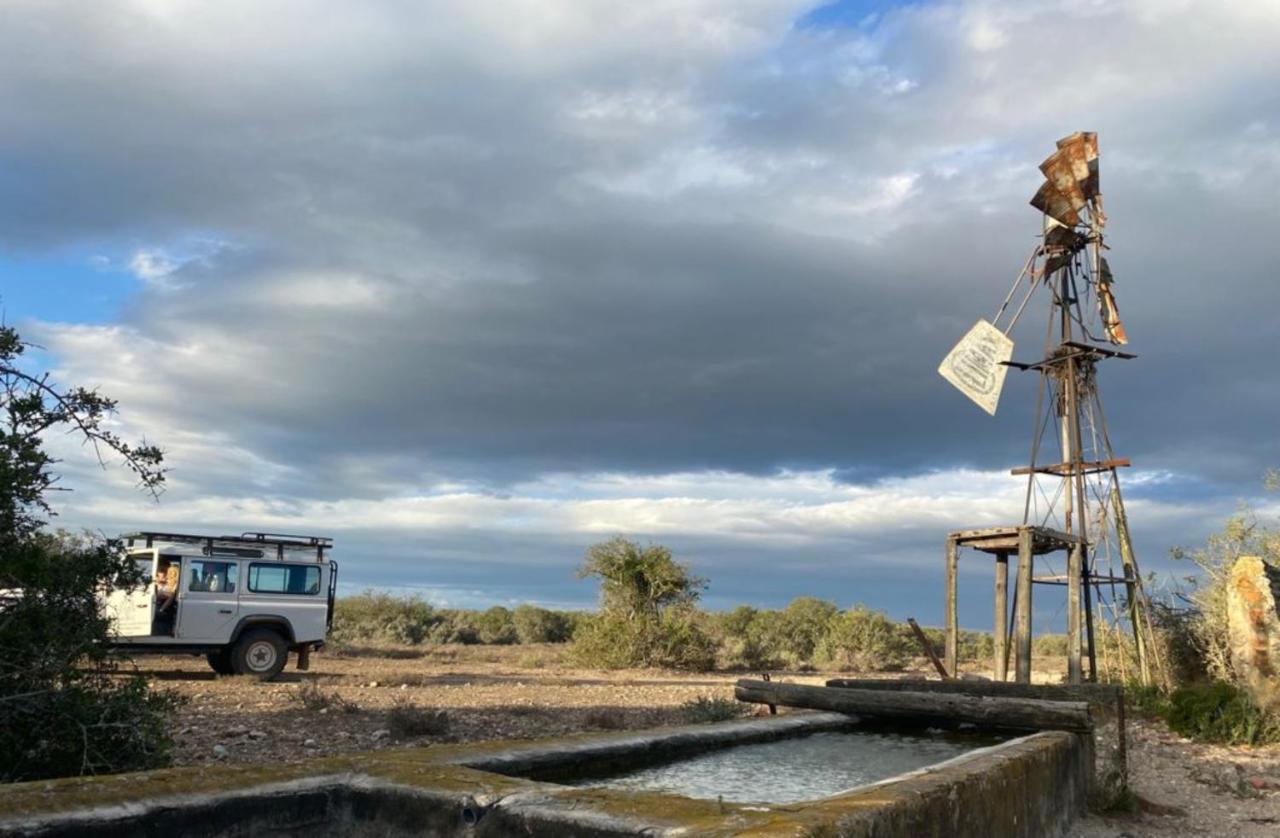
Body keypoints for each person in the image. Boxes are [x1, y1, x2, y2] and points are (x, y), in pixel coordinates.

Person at [154, 559, 180, 635]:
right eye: (160, 570)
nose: (162, 573)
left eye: (164, 570)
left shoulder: (173, 582)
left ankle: (161, 610)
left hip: (164, 603)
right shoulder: (158, 579)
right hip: (157, 600)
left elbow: (172, 593)